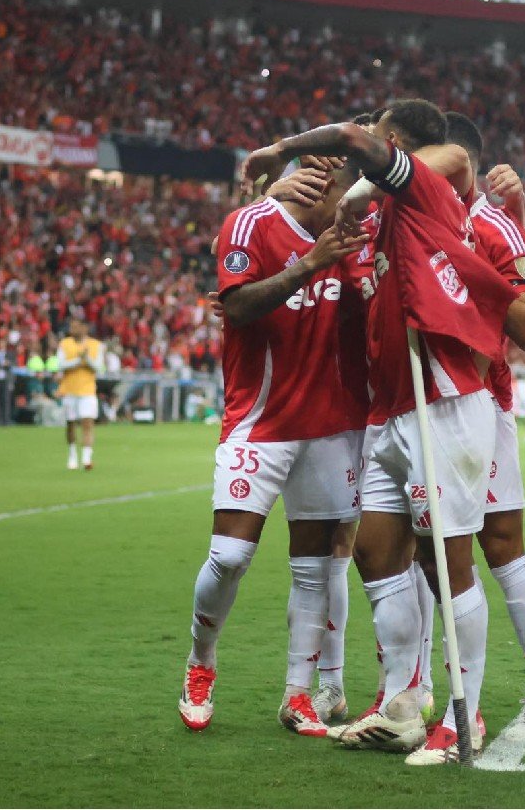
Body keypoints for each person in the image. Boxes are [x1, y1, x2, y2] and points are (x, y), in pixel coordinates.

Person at [241, 99, 518, 765]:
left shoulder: (421, 189)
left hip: (443, 402)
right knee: (376, 553)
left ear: (391, 142)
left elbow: (351, 139)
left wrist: (279, 150)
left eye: (377, 132)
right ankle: (401, 705)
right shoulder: (378, 212)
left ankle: (465, 719)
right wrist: (340, 200)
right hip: (389, 410)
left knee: (450, 568)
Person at [179, 161, 367, 738]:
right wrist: (312, 264)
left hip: (331, 426)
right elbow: (235, 307)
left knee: (313, 568)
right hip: (259, 421)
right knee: (229, 557)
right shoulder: (251, 224)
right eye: (351, 188)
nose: (359, 202)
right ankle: (200, 663)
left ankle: (298, 696)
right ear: (320, 185)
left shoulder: (358, 234)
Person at [441, 113, 525, 739]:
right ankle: (405, 698)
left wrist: (468, 260)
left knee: (497, 546)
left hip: (475, 403)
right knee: (414, 555)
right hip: (400, 409)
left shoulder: (487, 225)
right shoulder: (395, 217)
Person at [57, 317, 104, 471]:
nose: (73, 329)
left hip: (87, 390)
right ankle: (72, 454)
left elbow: (97, 366)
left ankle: (86, 458)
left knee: (87, 423)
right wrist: (78, 361)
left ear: (85, 328)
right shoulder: (64, 344)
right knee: (70, 424)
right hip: (69, 390)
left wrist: (87, 359)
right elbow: (61, 364)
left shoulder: (95, 345)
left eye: (76, 326)